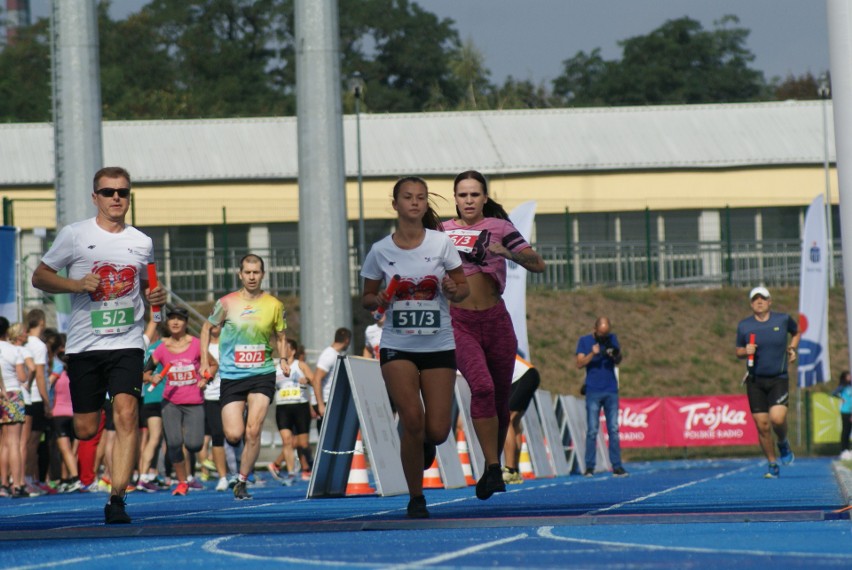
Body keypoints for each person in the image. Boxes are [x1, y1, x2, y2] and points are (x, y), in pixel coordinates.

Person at [31, 166, 167, 523]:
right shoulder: (75, 235)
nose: (116, 198)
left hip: (127, 344)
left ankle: (117, 499)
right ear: (96, 197)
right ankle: (100, 415)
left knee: (127, 415)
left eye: (122, 191)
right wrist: (76, 285)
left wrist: (158, 297)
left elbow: (151, 291)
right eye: (108, 192)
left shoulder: (142, 242)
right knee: (86, 429)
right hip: (85, 347)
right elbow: (40, 276)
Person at [361, 176, 469, 518]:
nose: (415, 202)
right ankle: (416, 497)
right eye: (407, 197)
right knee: (412, 419)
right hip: (398, 346)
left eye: (421, 197)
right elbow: (365, 297)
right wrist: (375, 298)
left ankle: (423, 442)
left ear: (425, 204)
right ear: (395, 204)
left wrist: (453, 290)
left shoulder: (441, 244)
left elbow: (463, 289)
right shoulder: (380, 250)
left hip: (438, 344)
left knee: (436, 431)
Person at [442, 170, 545, 500]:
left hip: (497, 322)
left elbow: (537, 263)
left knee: (501, 401)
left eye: (475, 194)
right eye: (463, 195)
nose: (469, 200)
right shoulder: (442, 230)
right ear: (455, 198)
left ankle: (492, 468)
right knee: (482, 387)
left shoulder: (500, 228)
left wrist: (508, 253)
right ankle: (489, 466)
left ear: (484, 198)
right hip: (460, 323)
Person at [200, 253, 289, 501]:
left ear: (262, 274)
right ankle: (238, 466)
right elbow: (207, 328)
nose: (251, 276)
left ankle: (241, 480)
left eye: (256, 272)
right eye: (247, 272)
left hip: (262, 373)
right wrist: (205, 359)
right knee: (234, 434)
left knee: (253, 430)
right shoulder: (227, 303)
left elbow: (281, 336)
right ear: (240, 274)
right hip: (232, 375)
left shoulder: (274, 305)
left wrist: (283, 359)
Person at [147, 306, 212, 496]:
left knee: (194, 445)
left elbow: (213, 365)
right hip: (170, 402)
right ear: (167, 323)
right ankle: (182, 482)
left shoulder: (197, 345)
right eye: (172, 319)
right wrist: (152, 378)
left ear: (186, 323)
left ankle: (188, 475)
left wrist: (205, 378)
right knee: (174, 443)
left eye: (179, 319)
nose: (175, 322)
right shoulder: (161, 348)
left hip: (194, 401)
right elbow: (145, 372)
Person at [736, 286, 800, 478]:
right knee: (762, 425)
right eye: (755, 299)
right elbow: (738, 351)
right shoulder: (744, 326)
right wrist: (745, 351)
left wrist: (792, 348)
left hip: (778, 377)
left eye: (762, 298)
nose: (759, 302)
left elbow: (796, 332)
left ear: (770, 301)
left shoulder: (782, 319)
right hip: (755, 381)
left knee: (777, 419)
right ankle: (772, 463)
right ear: (751, 304)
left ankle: (782, 441)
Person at [576, 316, 628, 478]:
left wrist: (614, 354)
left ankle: (617, 466)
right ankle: (590, 466)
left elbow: (619, 359)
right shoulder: (584, 341)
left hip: (611, 389)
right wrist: (593, 352)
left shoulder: (612, 339)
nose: (604, 336)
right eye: (601, 333)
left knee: (613, 429)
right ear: (595, 329)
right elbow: (579, 363)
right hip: (593, 390)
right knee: (592, 430)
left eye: (606, 334)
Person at [268, 338, 316, 485]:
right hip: (283, 407)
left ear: (293, 351)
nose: (283, 350)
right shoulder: (276, 367)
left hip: (300, 406)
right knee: (287, 441)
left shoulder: (300, 365)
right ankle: (290, 474)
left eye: (286, 348)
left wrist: (306, 380)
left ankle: (282, 464)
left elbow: (314, 380)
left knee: (303, 443)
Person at [198, 324, 230, 492]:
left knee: (235, 435)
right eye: (213, 322)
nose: (215, 326)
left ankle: (241, 473)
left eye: (219, 322)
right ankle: (222, 476)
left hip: (231, 393)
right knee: (217, 434)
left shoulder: (230, 342)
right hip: (211, 396)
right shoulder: (204, 347)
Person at [0, 318, 29, 497]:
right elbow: (22, 377)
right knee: (14, 442)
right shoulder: (14, 350)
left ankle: (3, 483)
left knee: (3, 444)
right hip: (12, 394)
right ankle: (17, 483)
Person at [23, 309, 51, 493]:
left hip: (25, 396)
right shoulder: (39, 346)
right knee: (31, 442)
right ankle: (27, 478)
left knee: (23, 441)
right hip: (35, 396)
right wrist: (47, 400)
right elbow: (40, 375)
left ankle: (27, 478)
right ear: (41, 322)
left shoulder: (24, 343)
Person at [502, 355, 541, 484]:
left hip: (523, 375)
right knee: (514, 422)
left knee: (505, 420)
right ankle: (515, 470)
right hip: (528, 374)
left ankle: (510, 470)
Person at [312, 328, 351, 435]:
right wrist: (320, 405)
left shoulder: (335, 354)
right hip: (325, 401)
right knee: (327, 438)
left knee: (335, 435)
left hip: (331, 401)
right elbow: (316, 379)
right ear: (347, 340)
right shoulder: (329, 355)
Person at [832, 370, 852, 458]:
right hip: (846, 411)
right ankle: (844, 449)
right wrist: (841, 398)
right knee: (846, 430)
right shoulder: (843, 387)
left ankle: (848, 449)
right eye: (848, 376)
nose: (850, 377)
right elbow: (834, 393)